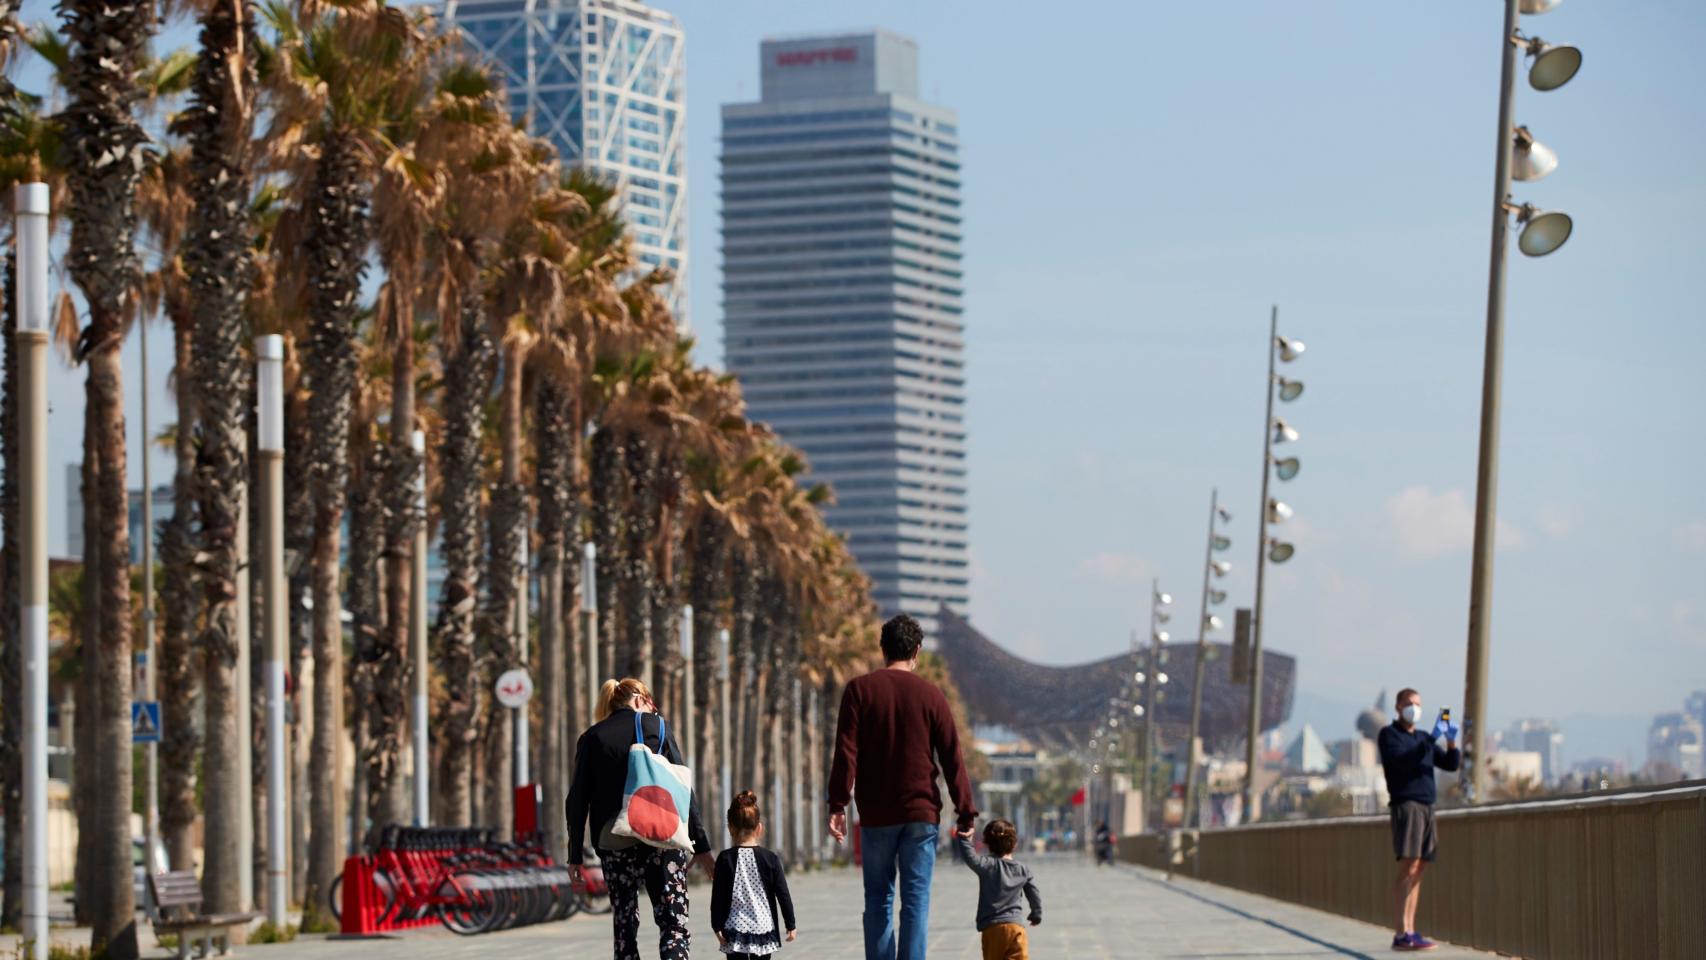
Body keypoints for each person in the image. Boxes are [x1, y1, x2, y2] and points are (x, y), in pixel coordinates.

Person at [827, 614, 979, 960]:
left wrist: (837, 805)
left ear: (882, 649)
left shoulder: (859, 690)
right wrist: (965, 811)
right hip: (921, 814)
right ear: (917, 651)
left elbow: (846, 752)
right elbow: (953, 757)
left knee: (878, 898)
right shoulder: (931, 696)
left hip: (877, 814)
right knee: (915, 900)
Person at [567, 677, 713, 960]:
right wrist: (702, 845)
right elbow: (683, 790)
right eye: (651, 703)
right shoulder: (656, 726)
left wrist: (575, 855)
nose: (653, 709)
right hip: (662, 834)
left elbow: (577, 800)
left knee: (624, 923)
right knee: (673, 923)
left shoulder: (592, 737)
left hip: (614, 838)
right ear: (639, 700)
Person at [1376, 687, 1459, 953]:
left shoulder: (1422, 737)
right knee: (1408, 865)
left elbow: (1449, 764)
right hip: (1406, 804)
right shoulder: (1390, 736)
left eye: (1419, 704)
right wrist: (1431, 739)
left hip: (1427, 805)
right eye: (1410, 703)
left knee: (1420, 866)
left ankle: (1411, 929)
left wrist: (1450, 741)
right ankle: (1401, 931)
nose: (1415, 708)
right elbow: (1401, 761)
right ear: (1398, 707)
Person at [710, 791, 797, 958]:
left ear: (730, 828)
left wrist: (717, 926)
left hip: (734, 927)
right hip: (763, 926)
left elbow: (718, 896)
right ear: (759, 828)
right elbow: (783, 894)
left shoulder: (724, 858)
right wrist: (790, 923)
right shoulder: (770, 858)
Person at [951, 819, 1042, 960]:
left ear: (987, 844)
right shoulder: (1023, 869)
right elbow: (1033, 893)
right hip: (1016, 927)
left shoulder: (987, 865)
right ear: (1014, 844)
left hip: (992, 929)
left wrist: (964, 837)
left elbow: (970, 858)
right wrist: (1036, 912)